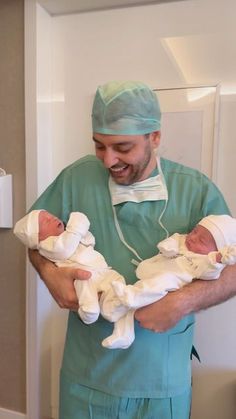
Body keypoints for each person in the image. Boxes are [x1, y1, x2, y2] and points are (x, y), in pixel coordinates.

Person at [27, 80, 236, 419]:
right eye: (99, 146)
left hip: (161, 377)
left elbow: (232, 269)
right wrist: (50, 275)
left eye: (122, 147)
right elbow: (34, 241)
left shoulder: (197, 190)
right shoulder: (76, 179)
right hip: (88, 374)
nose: (109, 160)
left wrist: (182, 301)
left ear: (154, 137)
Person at [100, 214, 236, 349]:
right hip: (153, 273)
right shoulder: (183, 241)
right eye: (194, 231)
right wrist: (169, 247)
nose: (193, 238)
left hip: (172, 282)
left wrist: (219, 259)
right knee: (131, 306)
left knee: (159, 283)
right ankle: (124, 334)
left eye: (201, 241)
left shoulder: (203, 261)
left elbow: (213, 271)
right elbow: (172, 241)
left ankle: (130, 296)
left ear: (216, 250)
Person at [14, 210, 125, 329]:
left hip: (102, 271)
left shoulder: (67, 235)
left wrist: (78, 233)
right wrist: (76, 227)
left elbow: (89, 240)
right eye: (46, 221)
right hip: (84, 274)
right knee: (84, 282)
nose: (52, 218)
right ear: (37, 237)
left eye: (51, 215)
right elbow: (65, 248)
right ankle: (89, 310)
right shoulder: (48, 245)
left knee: (117, 281)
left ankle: (123, 327)